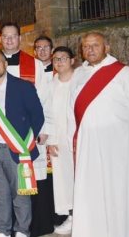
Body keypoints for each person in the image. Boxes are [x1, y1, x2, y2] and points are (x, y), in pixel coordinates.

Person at [69, 32, 129, 237]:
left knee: (117, 187)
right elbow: (71, 108)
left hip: (116, 143)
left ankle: (122, 230)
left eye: (95, 45)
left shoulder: (123, 73)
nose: (90, 50)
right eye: (86, 46)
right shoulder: (78, 74)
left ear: (107, 47)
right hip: (87, 143)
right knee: (90, 188)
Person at [0, 23, 52, 236]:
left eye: (13, 36)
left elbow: (42, 104)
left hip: (19, 143)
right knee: (0, 193)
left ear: (20, 38)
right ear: (0, 39)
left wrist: (39, 132)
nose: (10, 40)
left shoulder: (34, 66)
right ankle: (2, 229)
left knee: (21, 192)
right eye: (5, 36)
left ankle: (22, 230)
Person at [44, 46, 75, 235]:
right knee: (64, 180)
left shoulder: (81, 80)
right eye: (56, 59)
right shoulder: (52, 84)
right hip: (58, 141)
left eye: (64, 58)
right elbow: (47, 114)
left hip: (80, 138)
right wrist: (51, 140)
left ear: (72, 60)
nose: (59, 62)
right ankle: (71, 216)